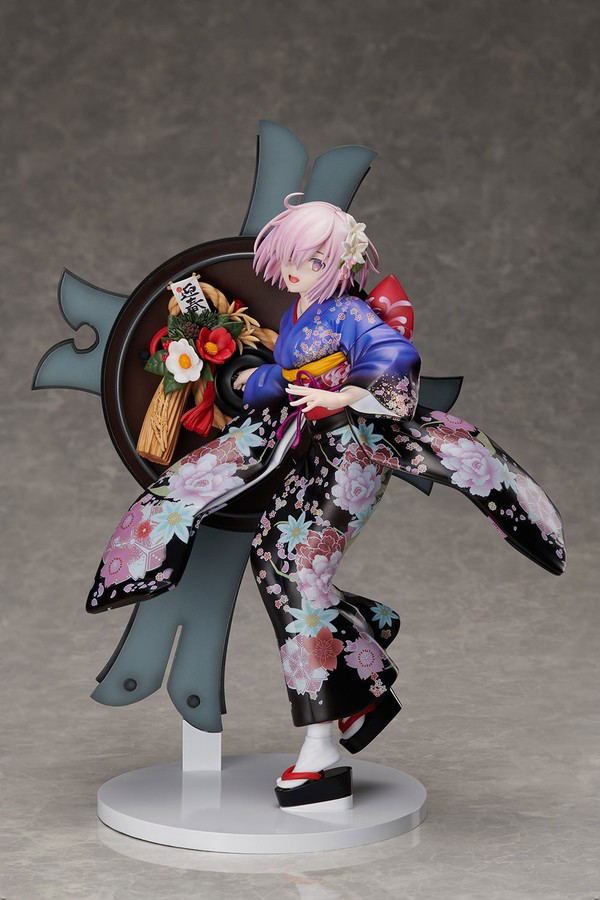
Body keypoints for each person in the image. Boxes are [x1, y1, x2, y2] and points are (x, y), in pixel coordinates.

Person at [86, 193, 565, 807]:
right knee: (272, 557)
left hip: (355, 451)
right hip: (310, 448)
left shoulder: (349, 312)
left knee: (299, 574)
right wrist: (246, 379)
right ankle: (362, 645)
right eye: (290, 259)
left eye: (311, 261)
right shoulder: (301, 313)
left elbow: (397, 357)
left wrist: (345, 396)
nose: (295, 271)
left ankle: (323, 748)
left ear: (341, 261)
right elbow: (293, 378)